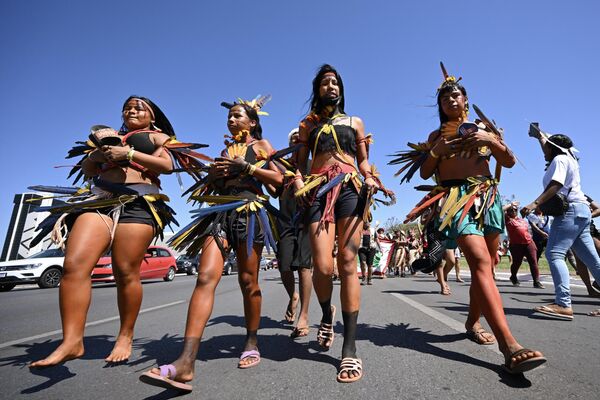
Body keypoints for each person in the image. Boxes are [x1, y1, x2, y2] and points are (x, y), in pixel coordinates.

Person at [390, 63, 545, 373]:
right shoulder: (435, 135)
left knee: (483, 268)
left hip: (487, 199)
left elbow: (509, 161)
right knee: (480, 262)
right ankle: (509, 345)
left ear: (465, 98)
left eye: (456, 95)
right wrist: (436, 151)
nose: (451, 99)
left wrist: (490, 140)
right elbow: (424, 172)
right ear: (440, 105)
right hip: (456, 201)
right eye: (445, 97)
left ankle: (472, 322)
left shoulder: (483, 128)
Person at [30, 96, 206, 367]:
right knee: (74, 265)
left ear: (152, 116)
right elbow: (87, 170)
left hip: (138, 202)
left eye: (139, 107)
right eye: (127, 107)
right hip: (100, 200)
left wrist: (131, 155)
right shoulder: (110, 138)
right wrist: (96, 155)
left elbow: (168, 166)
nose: (131, 110)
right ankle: (72, 341)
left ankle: (125, 335)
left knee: (125, 271)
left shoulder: (157, 137)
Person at [140, 96, 283, 393]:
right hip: (218, 215)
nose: (231, 121)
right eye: (229, 117)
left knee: (248, 281)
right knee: (205, 278)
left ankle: (252, 341)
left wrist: (248, 168)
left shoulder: (262, 146)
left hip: (250, 212)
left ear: (252, 122)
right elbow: (213, 186)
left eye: (237, 116)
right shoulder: (222, 151)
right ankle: (185, 362)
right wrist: (214, 176)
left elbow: (277, 183)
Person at [294, 64, 393, 383]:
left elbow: (363, 160)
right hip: (318, 190)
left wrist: (371, 178)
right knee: (323, 266)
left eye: (335, 82)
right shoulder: (308, 124)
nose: (331, 86)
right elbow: (298, 164)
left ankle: (349, 348)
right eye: (325, 83)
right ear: (317, 89)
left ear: (341, 89)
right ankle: (326, 313)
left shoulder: (355, 122)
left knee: (347, 262)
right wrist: (297, 181)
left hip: (350, 187)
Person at [521, 130, 600, 320]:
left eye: (546, 147)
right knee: (592, 259)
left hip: (569, 211)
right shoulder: (569, 158)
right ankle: (563, 302)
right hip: (582, 211)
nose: (543, 151)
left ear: (553, 148)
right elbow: (549, 150)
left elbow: (556, 183)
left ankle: (563, 304)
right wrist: (540, 137)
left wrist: (534, 204)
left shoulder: (559, 161)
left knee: (554, 254)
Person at [276, 129, 313, 338]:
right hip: (285, 221)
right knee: (284, 265)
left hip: (308, 221)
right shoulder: (280, 165)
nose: (297, 141)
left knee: (304, 267)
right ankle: (293, 296)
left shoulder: (314, 165)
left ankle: (304, 315)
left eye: (300, 138)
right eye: (293, 139)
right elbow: (272, 187)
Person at [503, 202, 544, 288]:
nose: (514, 211)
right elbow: (501, 210)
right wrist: (511, 204)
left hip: (529, 243)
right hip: (516, 245)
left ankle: (536, 281)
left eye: (515, 210)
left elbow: (529, 229)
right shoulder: (507, 219)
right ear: (508, 212)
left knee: (533, 261)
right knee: (517, 263)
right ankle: (513, 277)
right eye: (511, 210)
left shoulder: (522, 220)